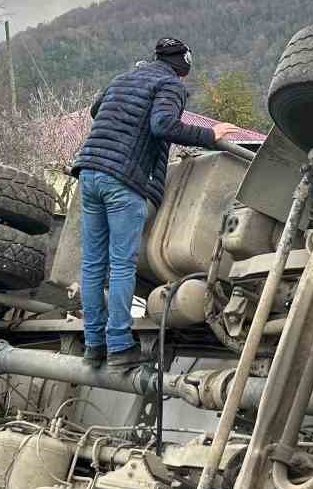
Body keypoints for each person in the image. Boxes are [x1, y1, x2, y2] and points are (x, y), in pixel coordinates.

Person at [71, 38, 229, 370]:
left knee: (92, 266)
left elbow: (97, 110)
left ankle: (93, 346)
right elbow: (163, 125)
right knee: (121, 266)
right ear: (183, 68)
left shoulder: (125, 78)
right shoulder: (170, 84)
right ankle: (118, 348)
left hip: (89, 171)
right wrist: (210, 136)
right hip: (122, 180)